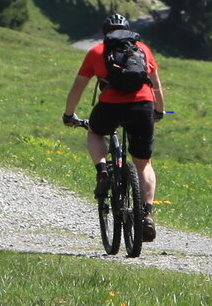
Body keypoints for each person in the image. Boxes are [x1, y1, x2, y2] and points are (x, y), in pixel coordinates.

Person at [63, 13, 165, 242]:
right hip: (142, 105)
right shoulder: (143, 49)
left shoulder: (97, 51)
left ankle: (103, 171)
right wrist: (158, 110)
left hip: (110, 106)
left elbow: (79, 86)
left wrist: (69, 114)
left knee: (96, 131)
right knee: (143, 163)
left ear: (104, 33)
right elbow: (156, 84)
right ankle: (147, 214)